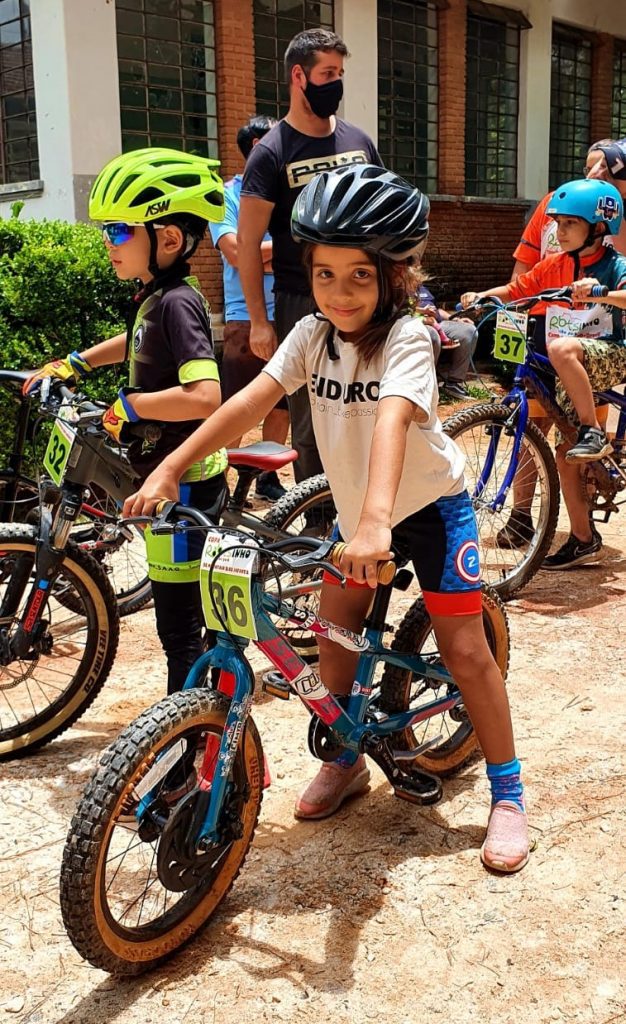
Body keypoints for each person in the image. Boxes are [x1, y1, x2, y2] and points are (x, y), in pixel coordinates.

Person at [124, 164, 531, 874]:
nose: (340, 293)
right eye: (324, 275)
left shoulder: (407, 339)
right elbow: (249, 401)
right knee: (333, 635)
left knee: (466, 651)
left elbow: (392, 423)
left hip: (427, 509)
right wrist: (171, 467)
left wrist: (374, 527)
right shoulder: (311, 335)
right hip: (357, 513)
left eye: (359, 276)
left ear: (394, 277)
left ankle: (508, 790)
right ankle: (345, 757)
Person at [23, 148, 230, 700]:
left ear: (168, 239)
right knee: (180, 622)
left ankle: (188, 735)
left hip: (186, 481)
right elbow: (137, 340)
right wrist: (76, 362)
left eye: (118, 230)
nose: (107, 242)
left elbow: (204, 396)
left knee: (180, 629)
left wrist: (133, 407)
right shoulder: (156, 296)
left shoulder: (178, 303)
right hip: (164, 473)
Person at [237, 28, 382, 484]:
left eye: (340, 74)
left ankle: (372, 513)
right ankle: (318, 519)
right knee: (310, 422)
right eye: (327, 74)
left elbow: (384, 218)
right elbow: (247, 243)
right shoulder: (271, 153)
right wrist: (259, 322)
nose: (336, 84)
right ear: (298, 77)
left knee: (371, 410)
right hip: (303, 303)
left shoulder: (359, 142)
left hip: (366, 296)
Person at [462, 179, 626, 569]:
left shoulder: (615, 265)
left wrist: (599, 292)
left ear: (598, 227)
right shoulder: (555, 265)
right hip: (572, 364)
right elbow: (519, 288)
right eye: (557, 223)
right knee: (566, 455)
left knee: (561, 349)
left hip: (613, 353)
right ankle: (584, 540)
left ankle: (592, 430)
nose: (559, 231)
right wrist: (484, 295)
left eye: (570, 223)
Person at [209, 115, 290, 502]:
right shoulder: (226, 196)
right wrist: (285, 249)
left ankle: (267, 479)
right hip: (244, 317)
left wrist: (258, 255)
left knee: (283, 402)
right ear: (258, 147)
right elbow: (236, 254)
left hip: (288, 310)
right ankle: (216, 483)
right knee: (238, 404)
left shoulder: (287, 195)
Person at [416, 282, 478, 400]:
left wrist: (454, 318)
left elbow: (437, 309)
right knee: (432, 334)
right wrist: (423, 312)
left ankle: (454, 382)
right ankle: (427, 385)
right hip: (418, 322)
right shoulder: (399, 288)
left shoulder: (422, 288)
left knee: (469, 330)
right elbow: (402, 311)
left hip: (437, 322)